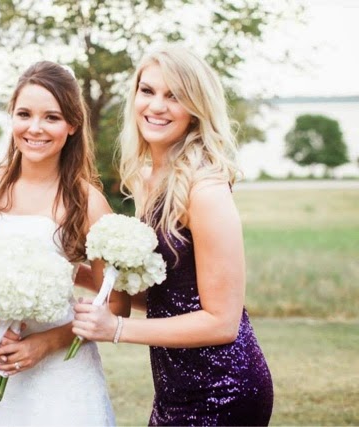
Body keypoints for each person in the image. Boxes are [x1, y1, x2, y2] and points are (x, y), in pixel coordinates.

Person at [73, 45, 274, 426]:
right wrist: (83, 274)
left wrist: (116, 329)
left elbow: (221, 321)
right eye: (147, 91)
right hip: (173, 388)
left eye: (174, 96)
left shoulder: (205, 188)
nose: (156, 106)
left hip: (224, 388)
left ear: (196, 108)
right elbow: (170, 299)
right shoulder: (146, 179)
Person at [0, 61, 130, 425]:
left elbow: (116, 304)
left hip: (63, 380)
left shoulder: (89, 203)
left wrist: (46, 343)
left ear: (72, 124)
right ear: (12, 116)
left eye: (51, 117)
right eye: (24, 114)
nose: (35, 128)